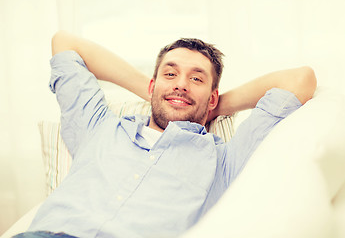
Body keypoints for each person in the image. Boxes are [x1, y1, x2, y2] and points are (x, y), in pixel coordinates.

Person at [15, 31, 317, 238]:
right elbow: (65, 43)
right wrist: (159, 93)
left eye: (196, 78)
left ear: (212, 97)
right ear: (152, 85)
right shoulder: (99, 127)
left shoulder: (222, 160)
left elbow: (299, 79)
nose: (181, 84)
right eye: (170, 74)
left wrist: (213, 106)